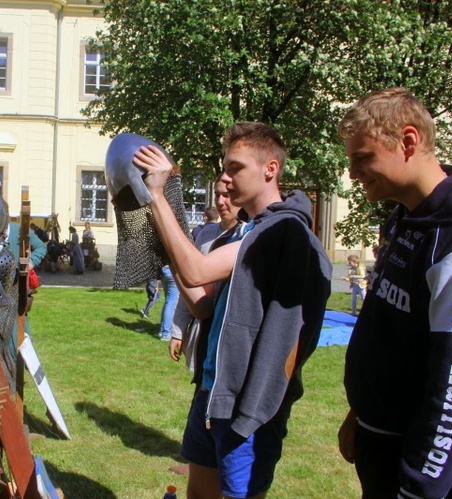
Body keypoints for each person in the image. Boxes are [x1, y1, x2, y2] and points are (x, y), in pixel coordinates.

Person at [134, 121, 331, 499]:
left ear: (270, 169)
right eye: (224, 167)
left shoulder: (281, 231)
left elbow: (195, 269)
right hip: (212, 392)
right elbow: (203, 305)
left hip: (247, 407)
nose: (225, 178)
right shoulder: (246, 230)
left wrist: (158, 196)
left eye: (235, 167)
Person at [337, 88, 452, 498]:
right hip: (378, 440)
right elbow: (388, 328)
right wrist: (361, 413)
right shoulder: (403, 218)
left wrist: (418, 488)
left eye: (363, 158)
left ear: (408, 142)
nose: (353, 173)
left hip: (414, 459)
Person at [169, 175, 241, 370]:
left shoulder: (248, 236)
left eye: (227, 195)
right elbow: (190, 286)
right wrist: (178, 330)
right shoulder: (205, 235)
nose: (220, 201)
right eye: (217, 195)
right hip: (204, 327)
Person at [158, 265, 179, 341]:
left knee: (168, 301)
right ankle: (166, 333)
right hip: (172, 271)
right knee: (171, 302)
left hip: (163, 270)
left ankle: (162, 330)